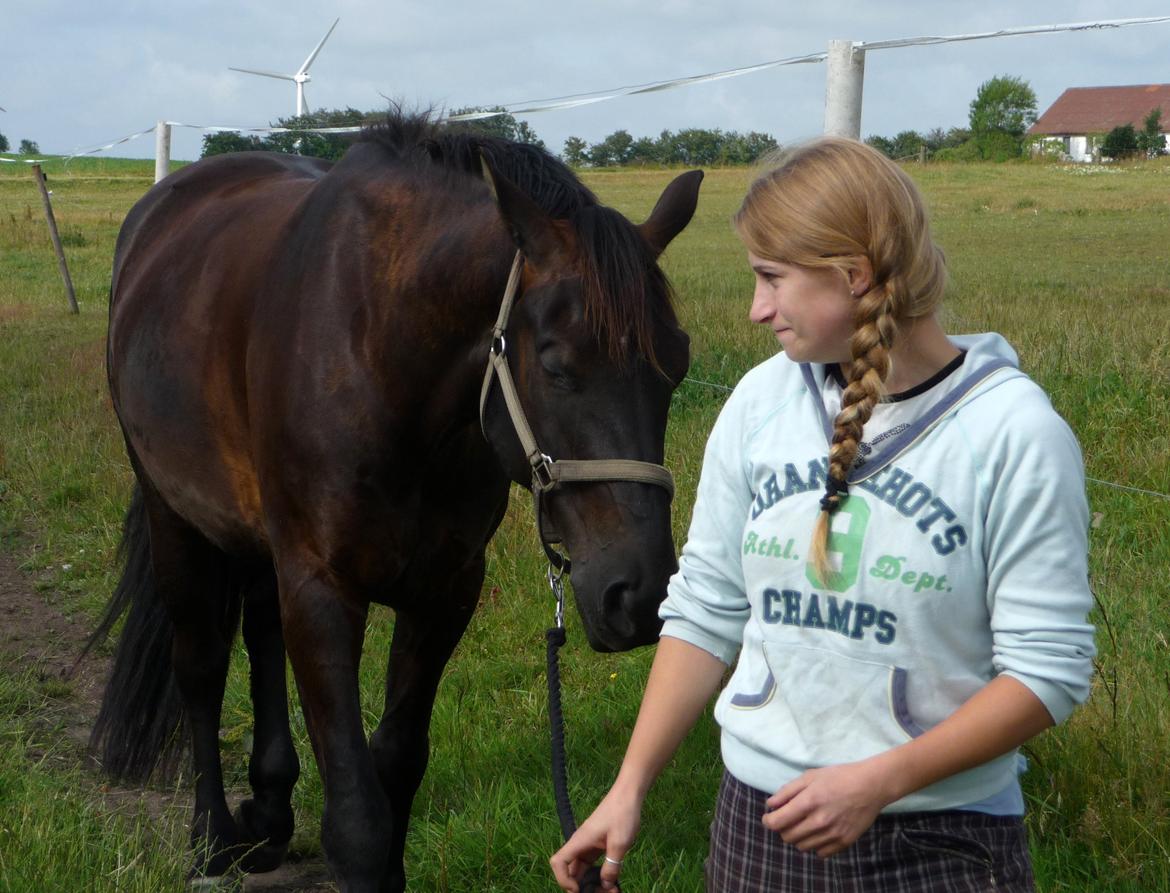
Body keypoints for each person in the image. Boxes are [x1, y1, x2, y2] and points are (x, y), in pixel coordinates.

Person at [549, 137, 1096, 893]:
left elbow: (1047, 671)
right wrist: (629, 785)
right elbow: (707, 607)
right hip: (757, 827)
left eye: (772, 277)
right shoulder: (761, 401)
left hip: (942, 844)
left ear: (854, 274)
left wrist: (880, 780)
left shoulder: (1012, 432)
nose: (757, 309)